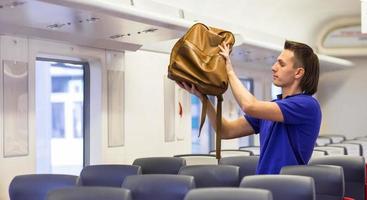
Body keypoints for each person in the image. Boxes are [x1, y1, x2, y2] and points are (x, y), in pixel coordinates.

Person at [177, 40, 322, 174]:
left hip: (288, 189)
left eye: (281, 64)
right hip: (262, 186)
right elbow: (226, 131)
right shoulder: (272, 109)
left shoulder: (307, 105)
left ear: (298, 72)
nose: (273, 67)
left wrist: (229, 71)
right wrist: (204, 99)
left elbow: (249, 106)